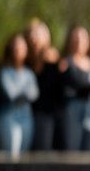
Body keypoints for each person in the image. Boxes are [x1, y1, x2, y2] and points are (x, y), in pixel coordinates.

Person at [58, 25, 90, 152]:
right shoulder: (65, 63)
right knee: (72, 148)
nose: (79, 42)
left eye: (83, 38)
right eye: (76, 38)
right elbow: (74, 83)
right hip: (72, 112)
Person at [0, 33, 39, 160]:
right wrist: (25, 91)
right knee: (10, 156)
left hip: (26, 117)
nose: (19, 51)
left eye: (22, 48)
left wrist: (23, 92)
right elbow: (12, 94)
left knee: (23, 155)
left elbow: (34, 94)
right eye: (16, 47)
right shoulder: (5, 71)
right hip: (8, 118)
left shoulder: (29, 73)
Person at [26, 19, 63, 151]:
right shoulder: (26, 59)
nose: (33, 37)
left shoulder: (52, 57)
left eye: (36, 34)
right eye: (30, 34)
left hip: (47, 113)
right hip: (29, 113)